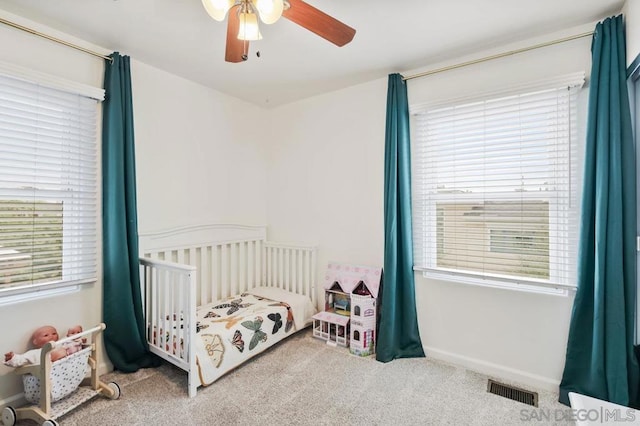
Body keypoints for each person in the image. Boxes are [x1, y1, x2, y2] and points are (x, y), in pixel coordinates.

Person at [4, 325, 81, 367]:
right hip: (49, 375)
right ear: (35, 341)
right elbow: (21, 359)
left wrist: (76, 335)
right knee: (59, 353)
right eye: (46, 335)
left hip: (68, 368)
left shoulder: (60, 343)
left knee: (64, 349)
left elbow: (71, 340)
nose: (51, 336)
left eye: (54, 333)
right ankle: (52, 358)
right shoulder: (35, 353)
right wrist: (12, 358)